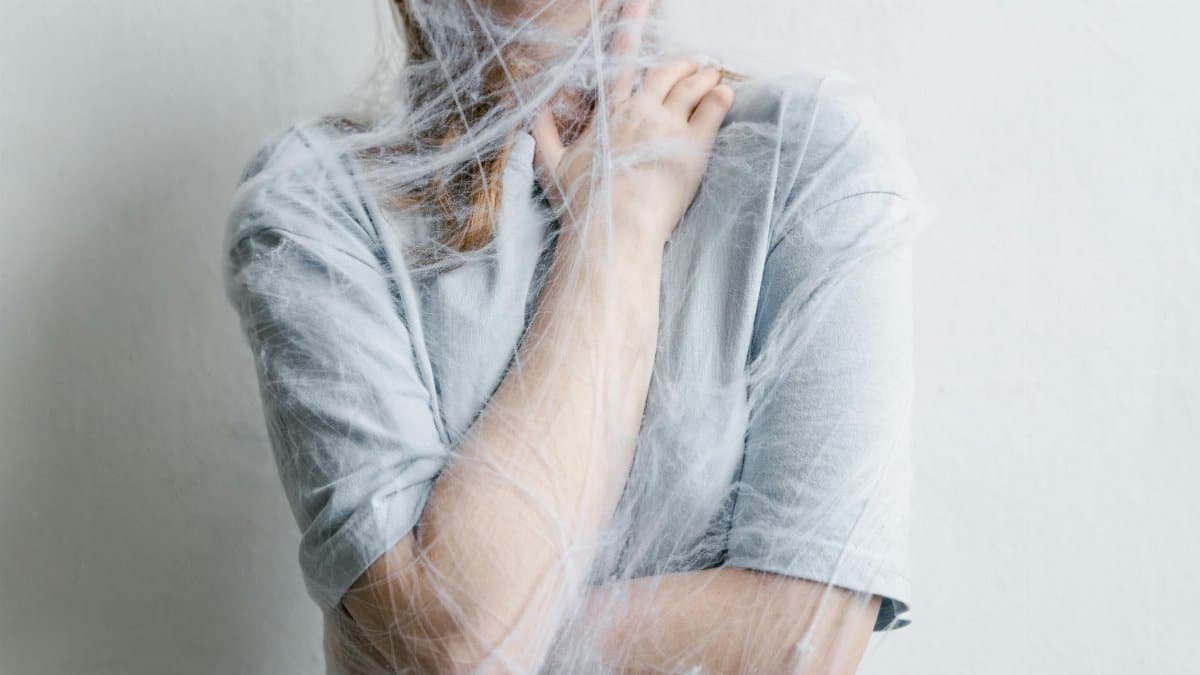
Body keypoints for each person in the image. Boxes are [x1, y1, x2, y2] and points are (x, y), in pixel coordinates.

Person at [223, 0, 921, 672]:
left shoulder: (807, 159)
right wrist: (618, 230)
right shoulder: (316, 202)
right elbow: (451, 647)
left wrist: (466, 629)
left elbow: (804, 638)